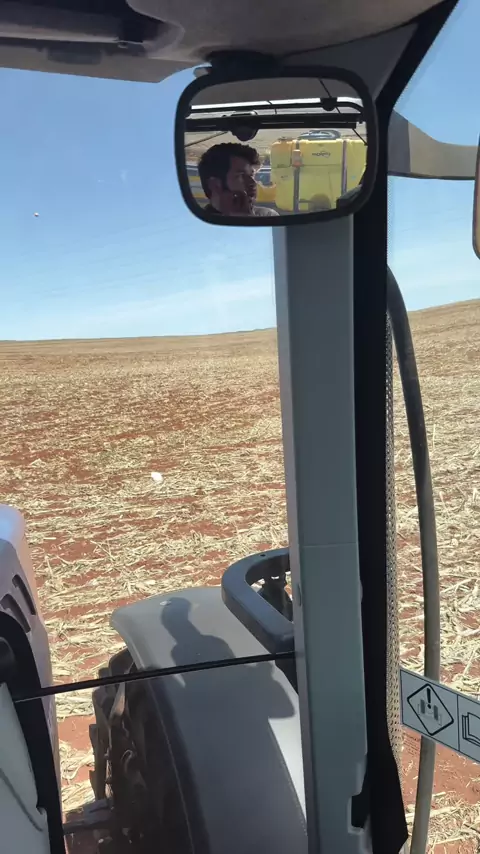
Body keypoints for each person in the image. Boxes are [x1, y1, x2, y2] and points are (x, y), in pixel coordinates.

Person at [197, 142, 279, 217]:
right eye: (241, 175)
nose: (253, 183)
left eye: (252, 175)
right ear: (215, 185)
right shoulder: (200, 224)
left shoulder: (269, 216)